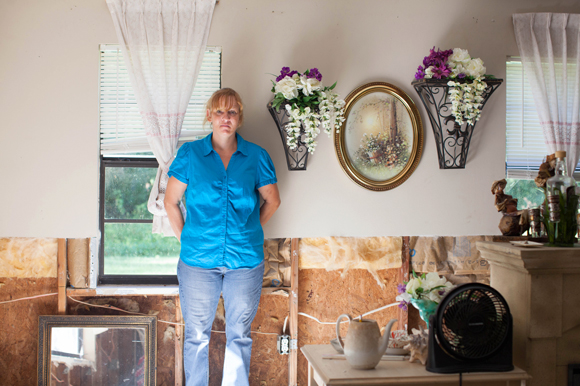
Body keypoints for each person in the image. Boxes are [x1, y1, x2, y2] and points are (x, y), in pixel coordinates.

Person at [164, 88, 281, 386]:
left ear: (239, 118)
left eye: (231, 112)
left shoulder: (256, 157)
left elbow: (273, 201)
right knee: (196, 336)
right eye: (219, 112)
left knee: (239, 336)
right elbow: (171, 201)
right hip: (197, 263)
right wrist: (185, 238)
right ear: (209, 116)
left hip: (245, 262)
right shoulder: (190, 155)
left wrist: (248, 228)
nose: (225, 118)